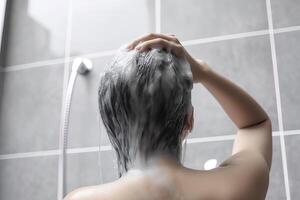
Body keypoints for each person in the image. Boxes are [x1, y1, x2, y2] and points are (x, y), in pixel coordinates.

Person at [64, 33, 272, 200]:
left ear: (112, 125)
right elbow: (255, 125)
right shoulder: (237, 185)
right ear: (189, 121)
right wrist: (203, 71)